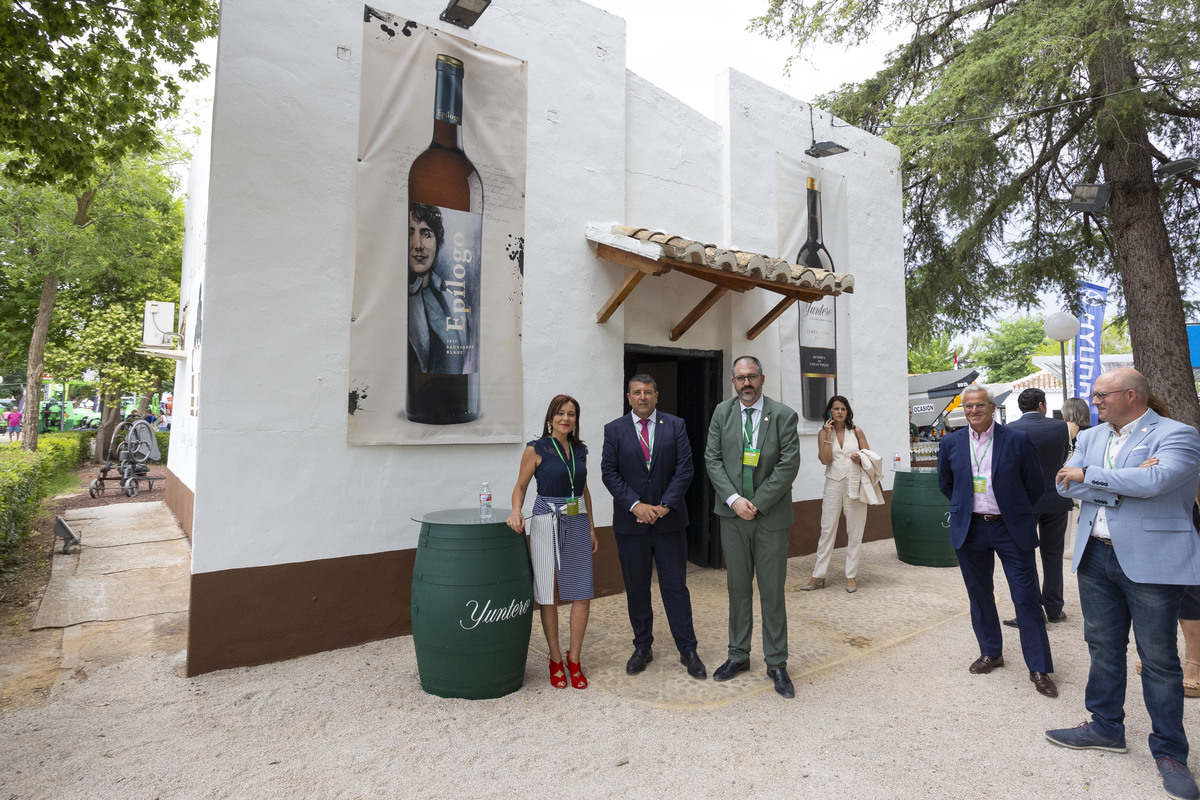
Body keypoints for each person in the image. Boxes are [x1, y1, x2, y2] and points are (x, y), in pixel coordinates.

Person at [1047, 368, 1200, 800]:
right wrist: (1117, 483)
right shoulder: (1092, 437)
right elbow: (1063, 485)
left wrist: (1091, 478)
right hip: (1096, 556)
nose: (1094, 401)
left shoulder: (1177, 434)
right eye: (1094, 396)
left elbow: (1158, 481)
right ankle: (1105, 727)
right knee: (1102, 646)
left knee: (1159, 660)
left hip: (1152, 560)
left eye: (1101, 395)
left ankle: (1170, 753)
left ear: (1131, 395)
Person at [936, 384, 1057, 698]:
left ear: (991, 407)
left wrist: (1013, 510)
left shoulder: (1016, 439)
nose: (973, 411)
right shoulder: (951, 443)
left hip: (1010, 528)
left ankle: (1039, 667)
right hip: (971, 528)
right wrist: (970, 507)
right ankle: (992, 652)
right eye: (968, 407)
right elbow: (947, 484)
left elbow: (1035, 485)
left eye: (979, 405)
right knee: (979, 595)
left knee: (1026, 597)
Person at [704, 356, 801, 698]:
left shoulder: (784, 416)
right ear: (733, 382)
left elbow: (789, 464)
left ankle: (776, 662)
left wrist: (757, 502)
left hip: (770, 517)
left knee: (772, 592)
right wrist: (733, 499)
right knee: (737, 589)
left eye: (752, 377)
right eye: (740, 378)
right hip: (733, 516)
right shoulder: (721, 413)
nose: (747, 383)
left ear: (762, 378)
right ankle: (738, 655)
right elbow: (711, 459)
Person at [600, 374, 705, 679]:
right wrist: (636, 505)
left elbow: (685, 467)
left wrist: (665, 505)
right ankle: (642, 646)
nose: (643, 397)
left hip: (669, 521)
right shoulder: (614, 430)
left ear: (657, 396)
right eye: (637, 393)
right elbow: (609, 472)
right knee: (637, 588)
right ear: (628, 397)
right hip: (631, 524)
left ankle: (688, 649)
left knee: (675, 588)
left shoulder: (675, 425)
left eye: (648, 392)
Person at [506, 395, 598, 690]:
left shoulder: (581, 450)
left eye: (571, 414)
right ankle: (556, 658)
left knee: (582, 593)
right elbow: (520, 486)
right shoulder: (536, 449)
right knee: (549, 591)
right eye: (560, 413)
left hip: (577, 519)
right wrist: (516, 511)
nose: (566, 419)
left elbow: (584, 491)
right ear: (550, 417)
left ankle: (575, 659)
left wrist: (593, 529)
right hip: (547, 519)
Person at [1002, 388, 1073, 627]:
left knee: (1024, 556)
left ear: (1021, 407)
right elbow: (1063, 457)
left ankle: (1032, 610)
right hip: (1055, 497)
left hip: (1024, 501)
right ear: (1042, 405)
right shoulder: (1060, 427)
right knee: (1053, 554)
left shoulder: (1010, 429)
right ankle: (1054, 608)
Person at [804, 395, 871, 593]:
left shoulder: (856, 431)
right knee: (827, 530)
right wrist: (827, 435)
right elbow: (824, 460)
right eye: (835, 409)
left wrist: (861, 457)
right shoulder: (823, 433)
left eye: (843, 408)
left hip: (855, 483)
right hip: (833, 483)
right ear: (829, 412)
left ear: (848, 411)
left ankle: (851, 575)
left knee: (855, 531)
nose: (839, 412)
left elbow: (869, 454)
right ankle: (818, 574)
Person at [408, 203, 471, 375]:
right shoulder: (393, 302)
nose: (418, 245)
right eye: (410, 233)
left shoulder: (454, 303)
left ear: (438, 241)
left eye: (426, 234)